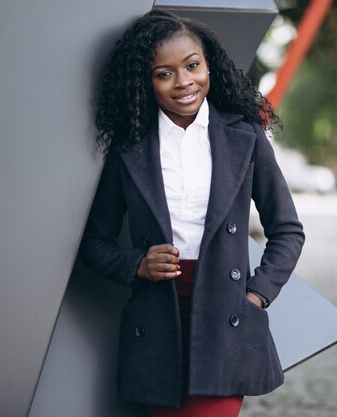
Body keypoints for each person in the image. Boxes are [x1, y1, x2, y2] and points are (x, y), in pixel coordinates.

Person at [80, 9, 304, 417]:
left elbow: (287, 229)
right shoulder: (129, 147)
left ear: (208, 64)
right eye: (163, 73)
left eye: (192, 65)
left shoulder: (245, 136)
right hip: (156, 322)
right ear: (145, 82)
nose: (183, 82)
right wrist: (137, 264)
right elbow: (94, 243)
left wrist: (256, 295)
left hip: (226, 317)